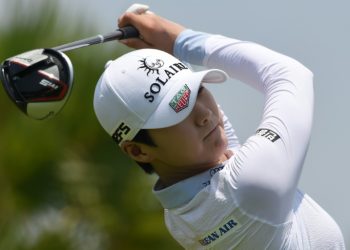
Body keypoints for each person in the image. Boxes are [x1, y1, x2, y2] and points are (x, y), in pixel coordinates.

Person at [93, 8, 346, 250]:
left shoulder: (181, 211)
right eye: (177, 112)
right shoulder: (248, 186)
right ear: (138, 151)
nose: (205, 115)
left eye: (199, 90)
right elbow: (291, 75)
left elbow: (224, 145)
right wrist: (179, 39)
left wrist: (165, 54)